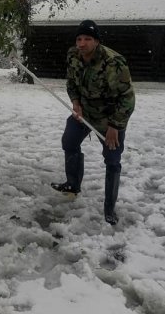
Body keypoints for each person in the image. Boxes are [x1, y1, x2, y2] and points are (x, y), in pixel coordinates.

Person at [51, 19, 135, 225]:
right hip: (84, 113)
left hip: (109, 118)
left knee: (112, 160)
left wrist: (115, 126)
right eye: (79, 39)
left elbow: (127, 98)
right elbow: (71, 83)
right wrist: (76, 103)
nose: (81, 43)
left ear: (96, 41)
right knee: (69, 142)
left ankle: (109, 208)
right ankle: (72, 185)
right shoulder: (73, 55)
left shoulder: (114, 63)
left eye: (87, 39)